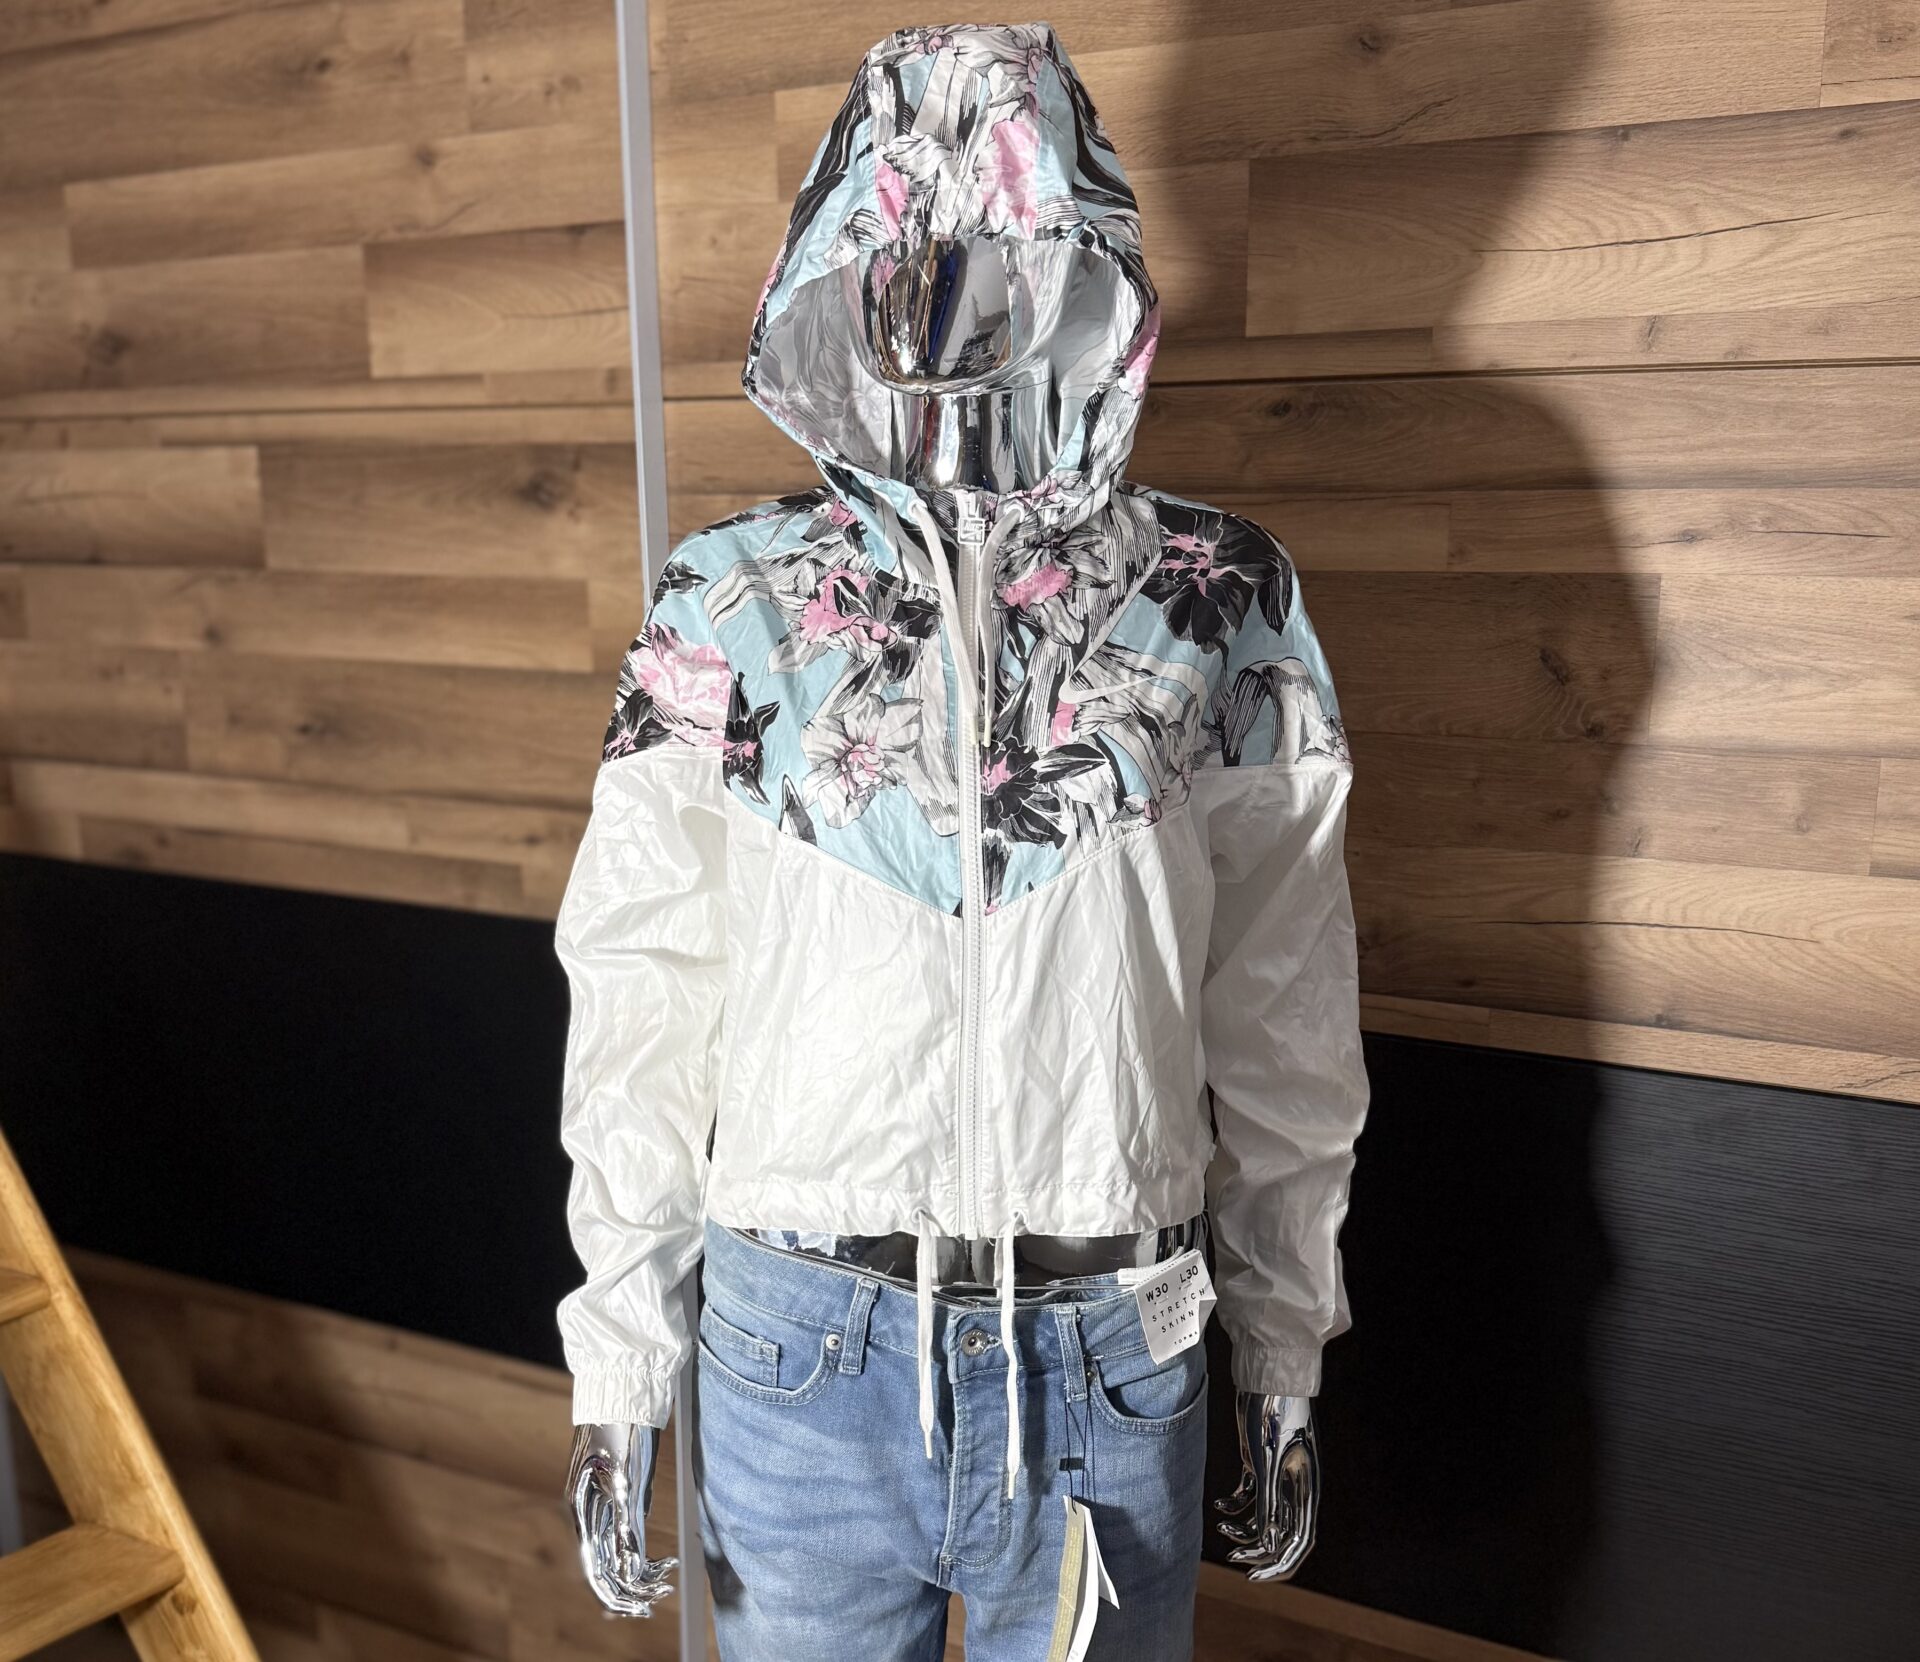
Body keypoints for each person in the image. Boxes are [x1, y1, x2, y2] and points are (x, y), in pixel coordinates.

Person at [555, 22, 1370, 1660]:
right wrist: (621, 1356)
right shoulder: (729, 603)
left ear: (1084, 273)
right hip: (797, 1352)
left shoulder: (1217, 597)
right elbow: (643, 994)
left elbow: (1283, 1004)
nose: (941, 309)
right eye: (901, 264)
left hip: (1111, 1358)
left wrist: (1284, 1341)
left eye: (1003, 259)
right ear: (832, 277)